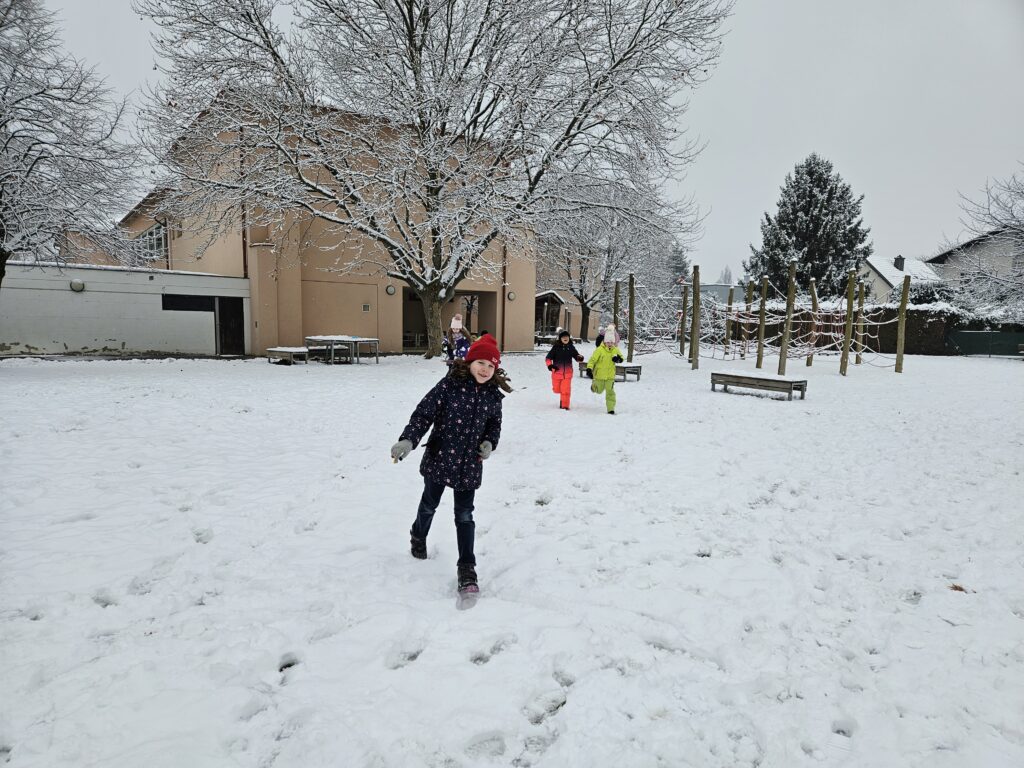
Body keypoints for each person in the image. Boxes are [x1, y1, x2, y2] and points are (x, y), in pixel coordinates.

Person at [390, 334, 509, 595]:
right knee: (429, 504)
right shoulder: (449, 386)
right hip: (440, 458)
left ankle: (467, 568)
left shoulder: (493, 397)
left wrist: (489, 442)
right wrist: (408, 440)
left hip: (469, 464)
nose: (485, 370)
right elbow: (424, 413)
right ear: (469, 362)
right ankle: (418, 535)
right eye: (481, 363)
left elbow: (494, 425)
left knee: (464, 516)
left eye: (491, 366)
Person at [586, 325, 624, 415]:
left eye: (611, 342)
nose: (610, 344)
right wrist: (589, 368)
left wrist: (618, 359)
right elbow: (592, 360)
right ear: (605, 341)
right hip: (599, 375)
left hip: (610, 376)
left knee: (610, 392)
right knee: (599, 391)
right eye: (608, 342)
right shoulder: (599, 350)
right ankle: (594, 387)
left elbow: (622, 358)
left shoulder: (615, 349)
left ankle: (610, 409)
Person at [545, 329, 584, 410]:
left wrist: (579, 358)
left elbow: (576, 356)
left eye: (567, 337)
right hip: (556, 373)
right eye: (563, 337)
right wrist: (550, 366)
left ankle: (564, 405)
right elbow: (548, 358)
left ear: (569, 338)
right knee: (556, 389)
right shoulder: (556, 348)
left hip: (568, 373)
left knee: (565, 390)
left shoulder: (571, 347)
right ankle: (562, 398)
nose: (565, 338)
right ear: (560, 339)